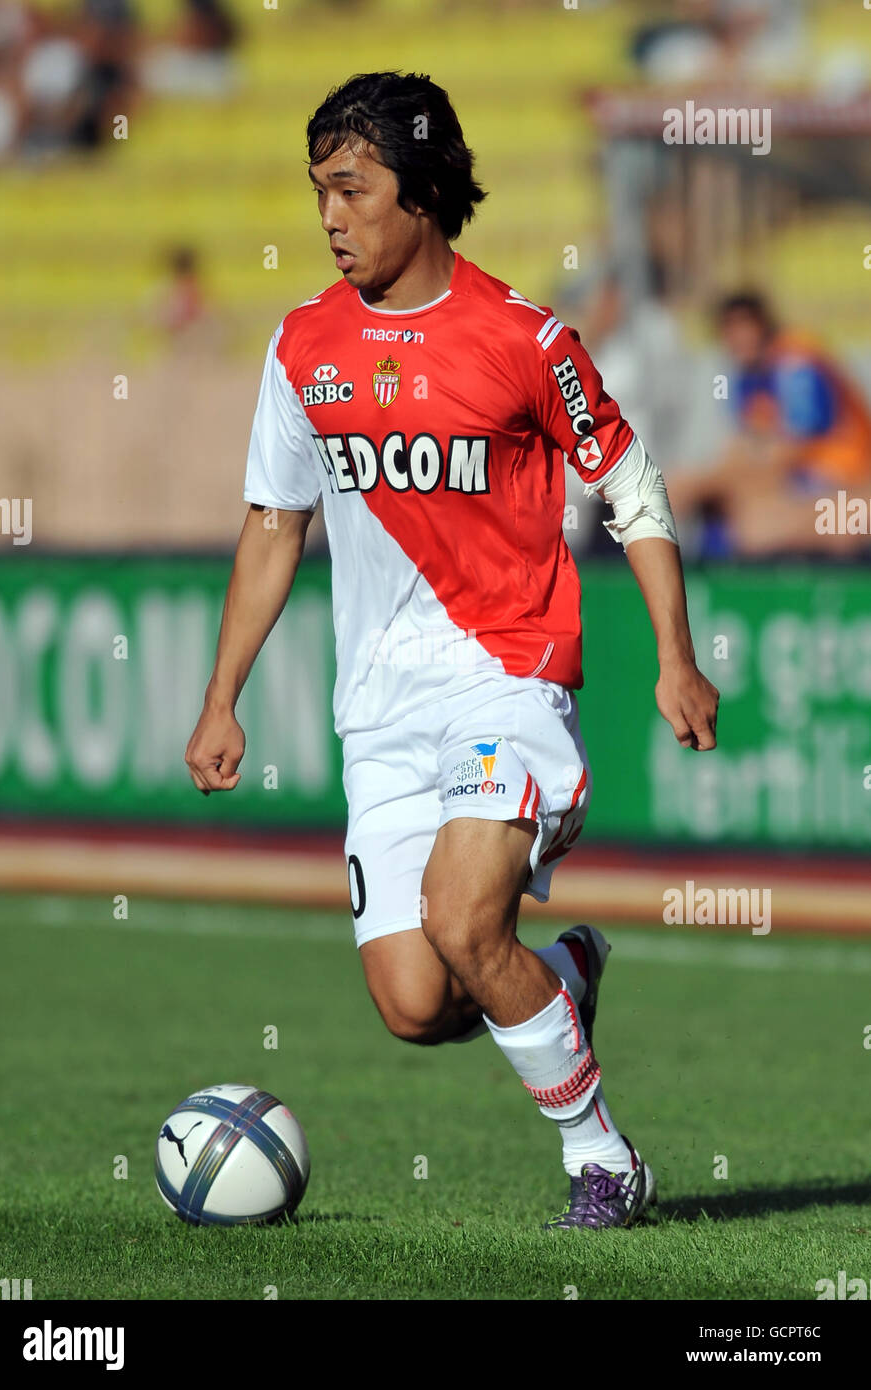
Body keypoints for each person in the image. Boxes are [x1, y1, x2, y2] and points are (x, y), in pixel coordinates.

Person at [185, 72, 719, 1231]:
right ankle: (565, 978)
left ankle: (602, 1160)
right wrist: (220, 694)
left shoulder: (525, 340)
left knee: (467, 918)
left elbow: (629, 484)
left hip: (507, 677)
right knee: (418, 1000)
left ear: (420, 192)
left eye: (351, 188)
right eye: (318, 190)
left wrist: (675, 654)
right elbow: (276, 524)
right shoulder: (301, 350)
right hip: (378, 711)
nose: (329, 215)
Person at [668, 293, 871, 557]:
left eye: (744, 326)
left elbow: (791, 449)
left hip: (844, 479)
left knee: (752, 524)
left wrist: (711, 480)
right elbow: (747, 445)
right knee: (712, 503)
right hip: (803, 480)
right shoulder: (746, 376)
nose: (738, 338)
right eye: (729, 329)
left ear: (763, 325)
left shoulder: (796, 362)